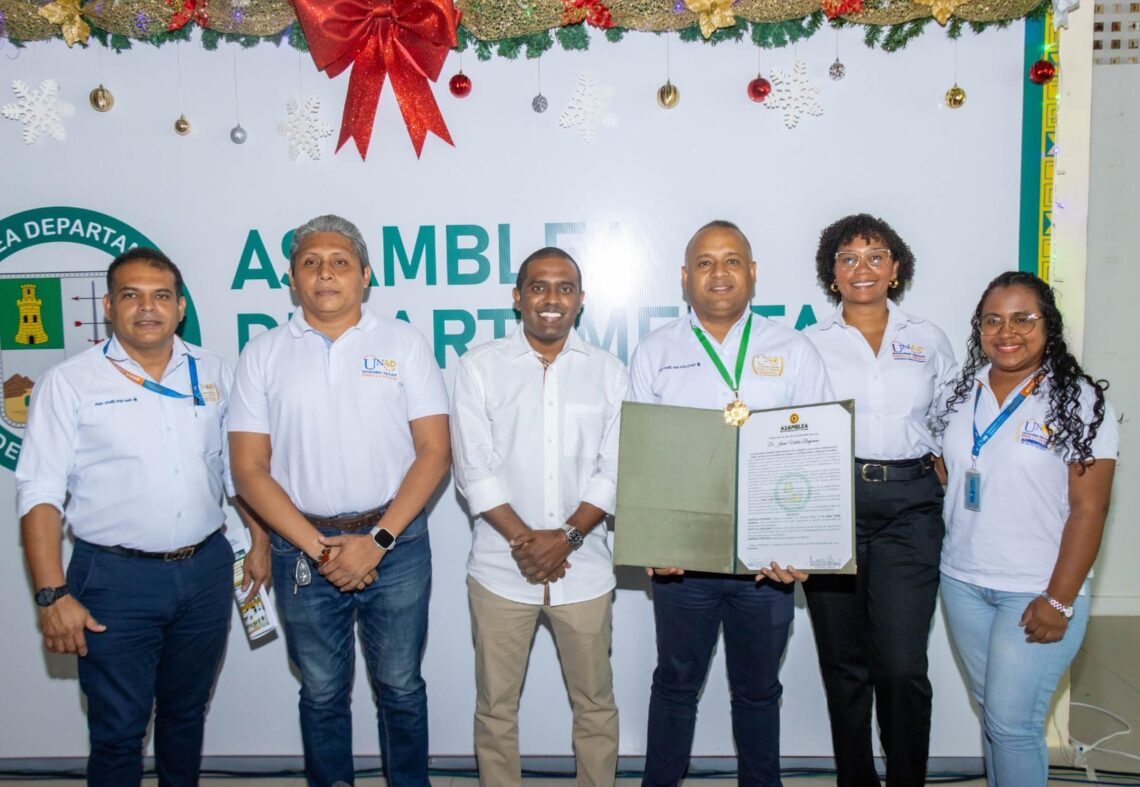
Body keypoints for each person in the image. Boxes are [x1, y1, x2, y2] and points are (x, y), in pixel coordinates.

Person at [16, 248, 267, 787]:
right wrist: (52, 594)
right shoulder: (70, 383)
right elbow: (39, 492)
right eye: (132, 295)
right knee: (119, 731)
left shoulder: (214, 371)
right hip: (113, 579)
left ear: (180, 308)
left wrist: (259, 539)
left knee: (185, 716)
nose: (147, 308)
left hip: (204, 571)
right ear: (109, 305)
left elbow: (235, 474)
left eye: (161, 296)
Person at [228, 215, 451, 787]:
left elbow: (434, 453)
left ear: (366, 276)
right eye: (311, 263)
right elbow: (249, 471)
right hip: (301, 547)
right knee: (322, 690)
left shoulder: (402, 342)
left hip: (396, 544)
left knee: (401, 684)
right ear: (292, 279)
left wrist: (376, 542)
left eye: (340, 262)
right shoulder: (263, 353)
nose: (325, 273)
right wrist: (320, 548)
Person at [629, 220, 833, 786]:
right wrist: (650, 541)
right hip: (682, 565)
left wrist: (802, 549)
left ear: (753, 272)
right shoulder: (655, 350)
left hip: (767, 564)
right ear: (685, 277)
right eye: (705, 262)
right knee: (674, 685)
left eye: (732, 260)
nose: (719, 273)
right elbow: (639, 455)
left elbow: (815, 454)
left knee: (759, 691)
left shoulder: (792, 349)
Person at [451, 247, 626, 786]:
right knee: (495, 709)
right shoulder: (479, 368)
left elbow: (615, 469)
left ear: (580, 300)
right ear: (517, 296)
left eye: (565, 288)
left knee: (596, 705)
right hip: (501, 571)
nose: (552, 299)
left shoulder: (609, 372)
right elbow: (473, 470)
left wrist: (567, 538)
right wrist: (529, 542)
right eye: (539, 286)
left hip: (586, 571)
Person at [934, 271, 1117, 787]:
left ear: (1048, 326)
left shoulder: (1078, 401)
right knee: (995, 715)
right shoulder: (958, 391)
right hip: (964, 580)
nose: (1006, 331)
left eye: (1022, 319)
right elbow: (947, 468)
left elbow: (1089, 510)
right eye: (993, 320)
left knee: (1012, 726)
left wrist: (1059, 600)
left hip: (1035, 589)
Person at [800, 214, 957, 787]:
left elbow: (950, 424)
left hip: (911, 505)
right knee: (844, 668)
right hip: (831, 502)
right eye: (847, 257)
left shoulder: (927, 338)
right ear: (831, 273)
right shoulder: (809, 345)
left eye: (874, 255)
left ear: (895, 268)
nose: (860, 268)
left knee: (900, 665)